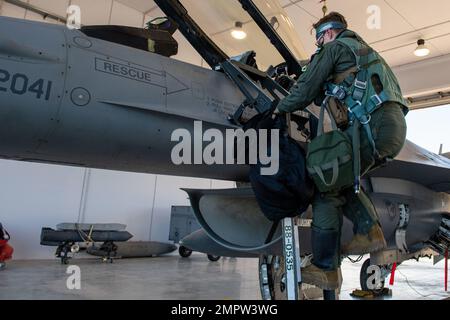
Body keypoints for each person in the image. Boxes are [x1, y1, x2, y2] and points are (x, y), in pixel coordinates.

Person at [275, 12, 408, 290]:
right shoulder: (366, 53)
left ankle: (326, 268)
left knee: (325, 184)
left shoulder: (335, 48)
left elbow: (305, 90)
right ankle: (368, 231)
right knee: (341, 178)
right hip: (392, 130)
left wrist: (278, 109)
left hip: (374, 127)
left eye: (319, 38)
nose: (319, 44)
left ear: (330, 32)